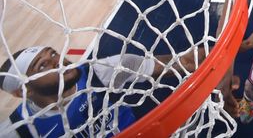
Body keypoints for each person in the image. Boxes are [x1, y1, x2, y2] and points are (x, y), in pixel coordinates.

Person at [0, 45, 204, 136]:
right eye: (42, 65)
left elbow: (181, 62)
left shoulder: (101, 71)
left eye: (53, 53)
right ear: (22, 91)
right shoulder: (18, 131)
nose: (58, 62)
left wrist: (222, 62)